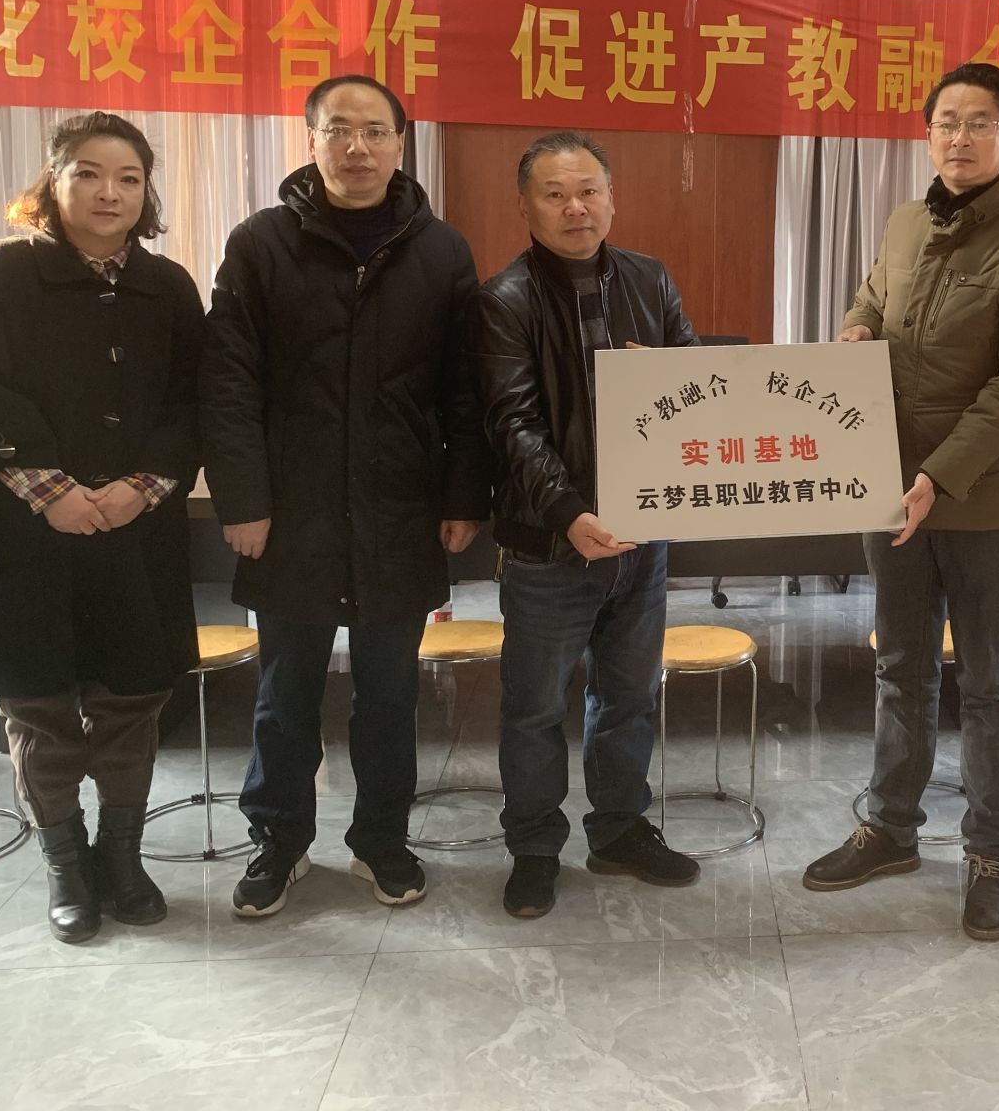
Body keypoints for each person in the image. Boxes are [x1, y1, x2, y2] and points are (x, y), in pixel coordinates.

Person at [801, 62, 999, 942]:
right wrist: (856, 325)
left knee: (988, 682)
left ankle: (991, 852)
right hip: (888, 484)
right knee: (901, 666)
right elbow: (874, 295)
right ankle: (890, 828)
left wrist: (938, 477)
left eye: (979, 123)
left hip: (981, 500)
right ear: (927, 136)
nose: (960, 137)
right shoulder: (905, 221)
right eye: (946, 122)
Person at [201, 74, 489, 917]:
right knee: (285, 692)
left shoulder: (442, 251)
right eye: (339, 130)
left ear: (401, 143)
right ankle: (279, 841)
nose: (356, 148)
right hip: (292, 511)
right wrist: (243, 499)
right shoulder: (260, 244)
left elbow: (464, 390)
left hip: (401, 509)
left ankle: (381, 840)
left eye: (374, 131)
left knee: (390, 694)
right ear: (312, 140)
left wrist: (463, 494)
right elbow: (228, 381)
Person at [0, 112, 204, 944]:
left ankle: (122, 857)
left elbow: (193, 399)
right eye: (88, 172)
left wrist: (142, 487)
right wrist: (51, 491)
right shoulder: (3, 270)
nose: (109, 192)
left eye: (128, 177)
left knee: (133, 696)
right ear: (54, 181)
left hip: (133, 523)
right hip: (24, 522)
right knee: (39, 701)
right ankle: (64, 864)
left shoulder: (168, 286)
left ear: (146, 191)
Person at [469, 131, 701, 920]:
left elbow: (700, 383)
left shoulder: (649, 278)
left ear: (611, 198)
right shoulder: (503, 300)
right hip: (549, 546)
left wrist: (666, 375)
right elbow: (514, 425)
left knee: (628, 696)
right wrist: (569, 513)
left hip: (643, 537)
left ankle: (620, 830)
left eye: (588, 190)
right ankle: (535, 849)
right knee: (535, 708)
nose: (575, 207)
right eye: (555, 194)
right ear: (527, 206)